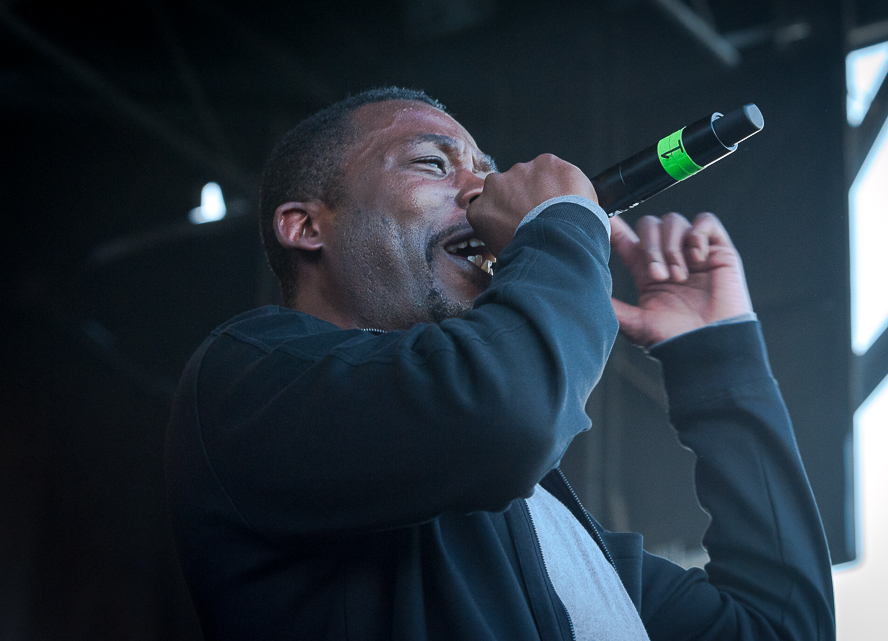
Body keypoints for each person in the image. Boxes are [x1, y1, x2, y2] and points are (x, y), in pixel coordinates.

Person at [165, 87, 835, 640]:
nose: (483, 193)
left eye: (488, 172)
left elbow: (782, 629)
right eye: (433, 164)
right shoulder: (248, 378)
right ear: (306, 226)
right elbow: (504, 413)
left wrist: (715, 357)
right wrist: (560, 224)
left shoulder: (547, 527)